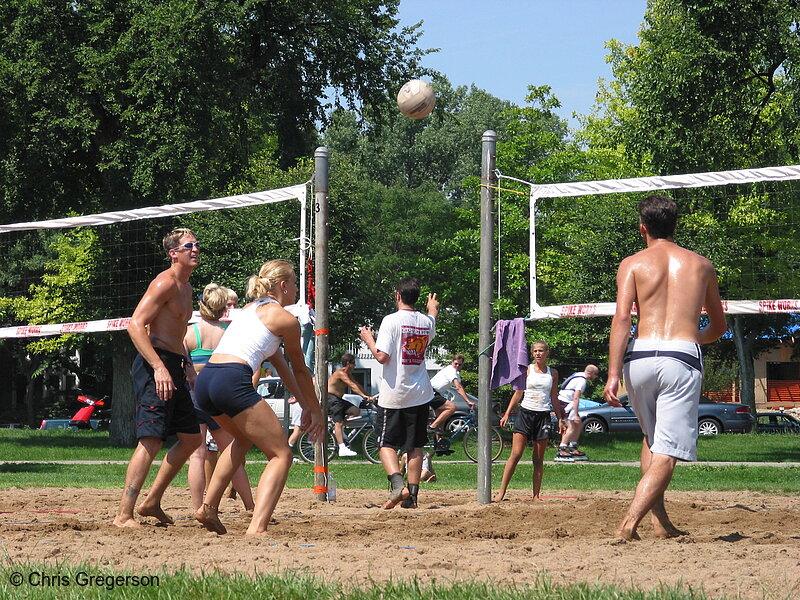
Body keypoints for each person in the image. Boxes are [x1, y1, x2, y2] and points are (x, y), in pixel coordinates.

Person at [603, 194, 726, 541]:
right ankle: (628, 524)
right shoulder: (701, 264)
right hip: (681, 355)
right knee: (668, 451)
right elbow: (718, 327)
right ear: (675, 225)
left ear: (643, 227)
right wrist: (690, 340)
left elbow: (623, 318)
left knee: (653, 439)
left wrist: (613, 374)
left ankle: (660, 523)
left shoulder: (632, 263)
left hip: (639, 356)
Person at [194, 260, 324, 535]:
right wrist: (316, 410)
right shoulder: (286, 320)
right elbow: (301, 370)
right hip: (231, 379)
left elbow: (281, 365)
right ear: (284, 285)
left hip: (207, 381)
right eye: (295, 283)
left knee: (242, 438)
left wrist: (305, 405)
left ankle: (209, 507)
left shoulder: (248, 310)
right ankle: (258, 527)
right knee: (281, 454)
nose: (298, 288)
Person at [113, 228, 203, 528]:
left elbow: (176, 334)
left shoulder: (187, 289)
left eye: (196, 244)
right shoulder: (164, 282)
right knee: (151, 439)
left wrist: (187, 366)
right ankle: (123, 514)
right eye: (188, 245)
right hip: (156, 364)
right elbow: (135, 325)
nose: (195, 249)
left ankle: (151, 502)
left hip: (174, 363)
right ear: (173, 253)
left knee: (191, 438)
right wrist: (158, 367)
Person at [360, 277, 439, 509]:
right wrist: (432, 310)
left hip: (395, 393)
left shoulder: (391, 321)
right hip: (421, 392)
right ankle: (412, 497)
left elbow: (382, 356)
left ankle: (397, 485)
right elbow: (431, 320)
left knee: (385, 443)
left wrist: (368, 339)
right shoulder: (426, 322)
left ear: (397, 296)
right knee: (414, 446)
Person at [184, 283, 254, 512]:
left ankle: (198, 508)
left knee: (197, 455)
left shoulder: (190, 332)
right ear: (224, 309)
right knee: (231, 452)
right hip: (219, 397)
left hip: (195, 397)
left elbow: (181, 363)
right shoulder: (227, 333)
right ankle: (250, 506)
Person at [494, 341, 565, 502]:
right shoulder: (527, 370)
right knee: (516, 454)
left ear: (547, 352)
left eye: (541, 351)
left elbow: (554, 396)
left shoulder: (552, 373)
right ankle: (501, 492)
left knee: (538, 458)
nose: (538, 353)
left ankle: (536, 495)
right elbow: (518, 393)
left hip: (543, 415)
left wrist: (560, 419)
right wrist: (507, 413)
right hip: (525, 413)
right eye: (535, 351)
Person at [328, 353, 374, 457]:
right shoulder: (340, 373)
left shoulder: (349, 374)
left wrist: (368, 396)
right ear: (348, 364)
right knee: (338, 423)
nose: (355, 366)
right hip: (331, 399)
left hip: (338, 399)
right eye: (354, 364)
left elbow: (357, 385)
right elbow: (352, 385)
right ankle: (342, 448)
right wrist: (363, 395)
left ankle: (338, 430)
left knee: (355, 411)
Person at [554, 364, 600, 462]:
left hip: (565, 401)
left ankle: (572, 447)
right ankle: (562, 449)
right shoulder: (582, 381)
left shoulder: (578, 374)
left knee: (578, 424)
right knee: (571, 426)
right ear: (590, 373)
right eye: (595, 374)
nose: (596, 377)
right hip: (565, 403)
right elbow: (576, 397)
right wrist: (575, 414)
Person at [428, 354, 473, 435]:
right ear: (452, 362)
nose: (457, 366)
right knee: (452, 407)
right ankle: (432, 427)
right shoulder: (451, 370)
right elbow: (458, 387)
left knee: (441, 421)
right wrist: (468, 401)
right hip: (430, 392)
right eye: (456, 363)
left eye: (459, 364)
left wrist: (465, 398)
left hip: (434, 393)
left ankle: (439, 445)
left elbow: (459, 389)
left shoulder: (456, 373)